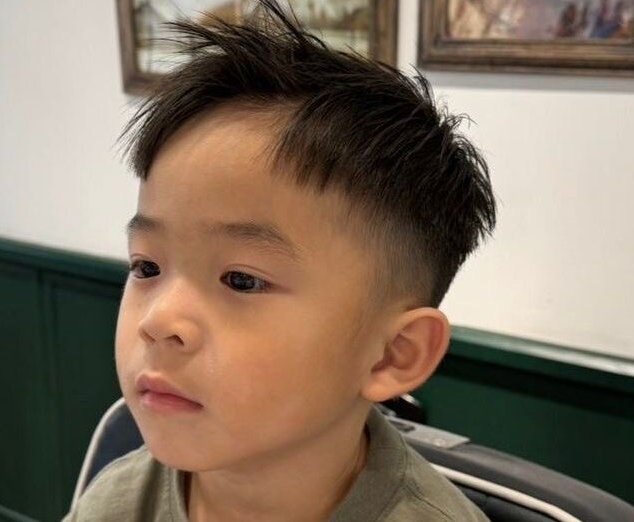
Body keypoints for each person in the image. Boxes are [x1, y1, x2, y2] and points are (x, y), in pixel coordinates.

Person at [64, 1, 496, 520]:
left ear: (391, 355)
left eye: (241, 280)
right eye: (146, 268)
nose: (158, 322)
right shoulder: (119, 502)